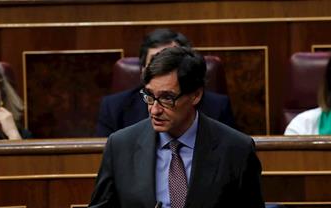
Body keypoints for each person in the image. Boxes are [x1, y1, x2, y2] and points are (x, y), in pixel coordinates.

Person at [80, 46, 266, 208]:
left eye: (167, 98)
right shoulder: (121, 145)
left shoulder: (235, 149)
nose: (154, 109)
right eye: (149, 97)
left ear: (196, 95)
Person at [95, 28, 237, 137]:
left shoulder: (217, 107)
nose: (155, 110)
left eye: (170, 62)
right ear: (143, 70)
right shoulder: (114, 108)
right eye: (156, 61)